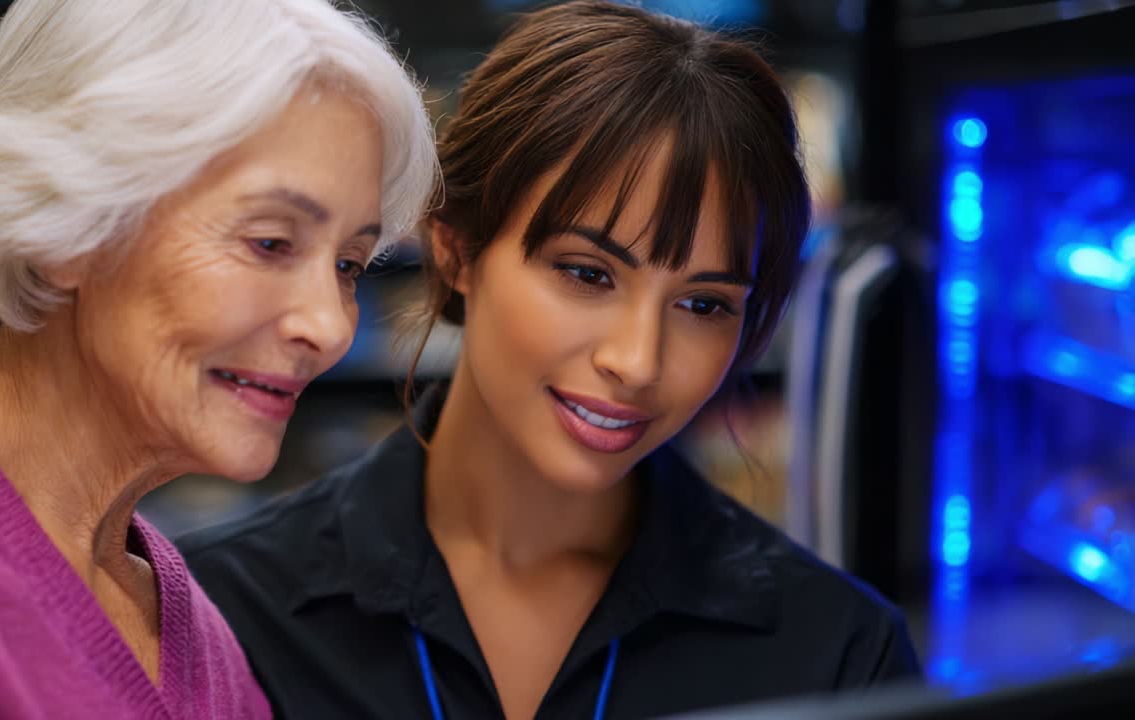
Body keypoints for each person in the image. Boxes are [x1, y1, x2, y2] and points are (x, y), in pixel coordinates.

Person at [179, 2, 920, 718]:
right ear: (456, 248)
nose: (636, 361)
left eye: (703, 305)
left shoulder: (838, 656)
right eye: (588, 274)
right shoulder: (216, 612)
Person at [0, 0, 436, 717]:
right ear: (65, 225)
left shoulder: (201, 637)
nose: (328, 326)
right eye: (270, 243)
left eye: (350, 265)